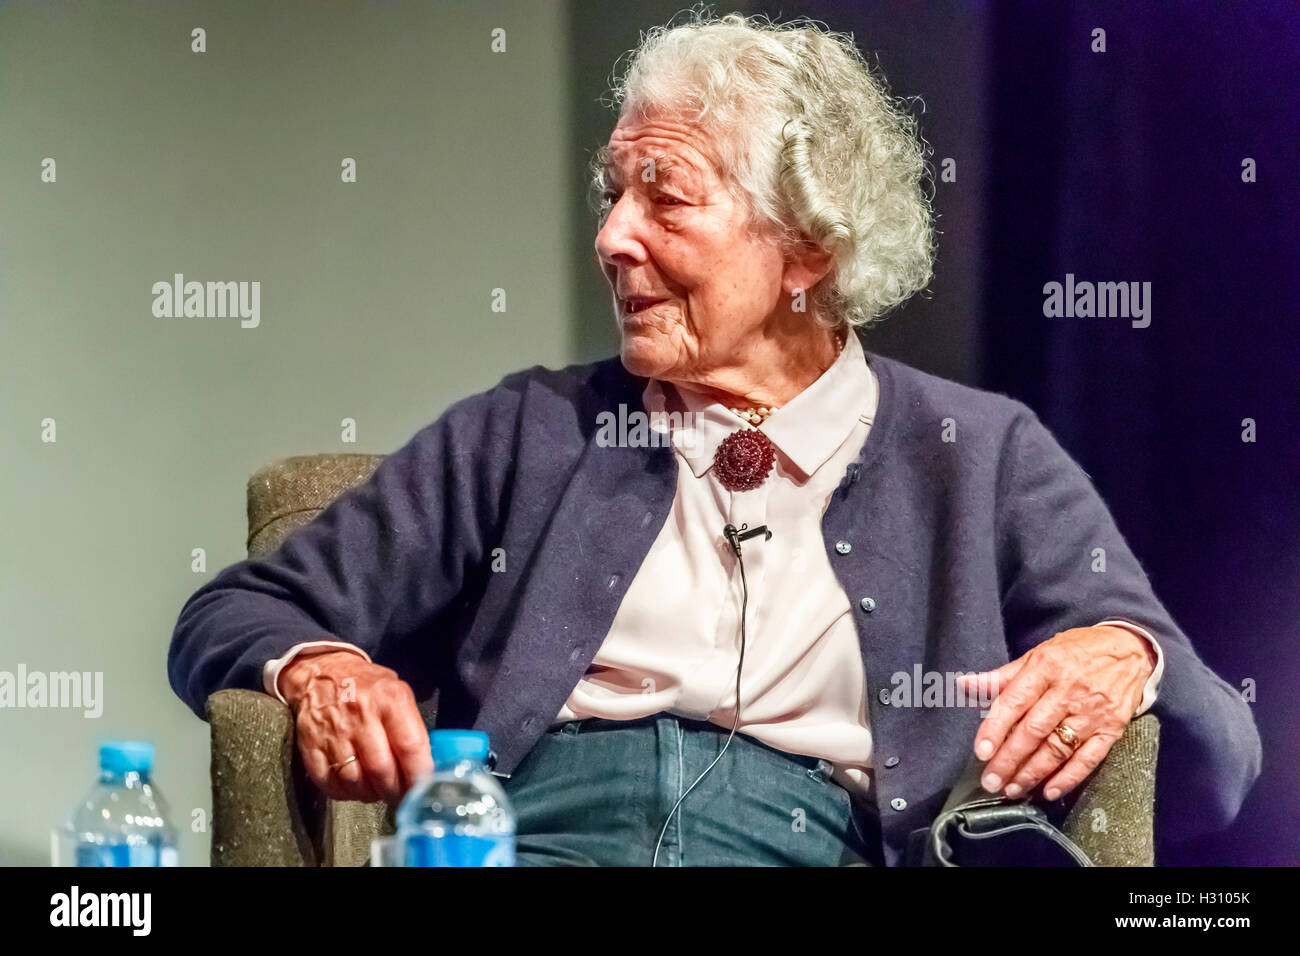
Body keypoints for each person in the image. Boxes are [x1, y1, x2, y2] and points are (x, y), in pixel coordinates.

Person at [168, 12, 1260, 866]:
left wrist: (1129, 654)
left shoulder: (978, 453)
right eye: (611, 192)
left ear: (807, 246)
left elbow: (1218, 762)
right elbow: (232, 609)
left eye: (665, 197)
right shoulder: (532, 427)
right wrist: (319, 665)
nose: (611, 236)